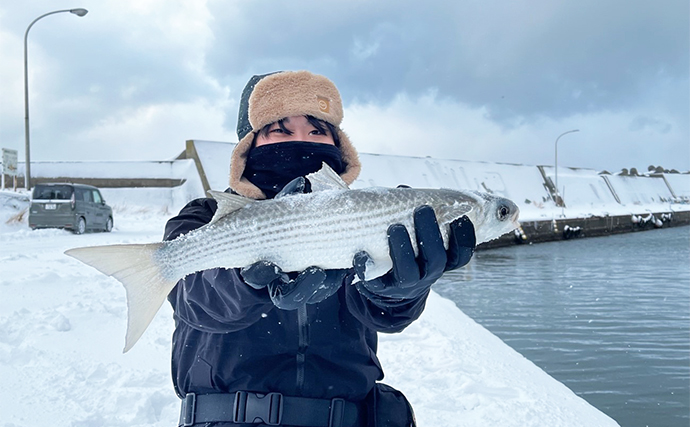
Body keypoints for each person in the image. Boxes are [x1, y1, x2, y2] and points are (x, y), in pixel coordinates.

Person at [163, 70, 477, 427]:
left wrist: (400, 292)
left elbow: (383, 317)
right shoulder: (205, 217)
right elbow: (193, 299)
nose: (301, 141)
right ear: (248, 145)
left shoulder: (360, 218)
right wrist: (245, 283)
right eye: (280, 130)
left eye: (317, 131)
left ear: (338, 144)